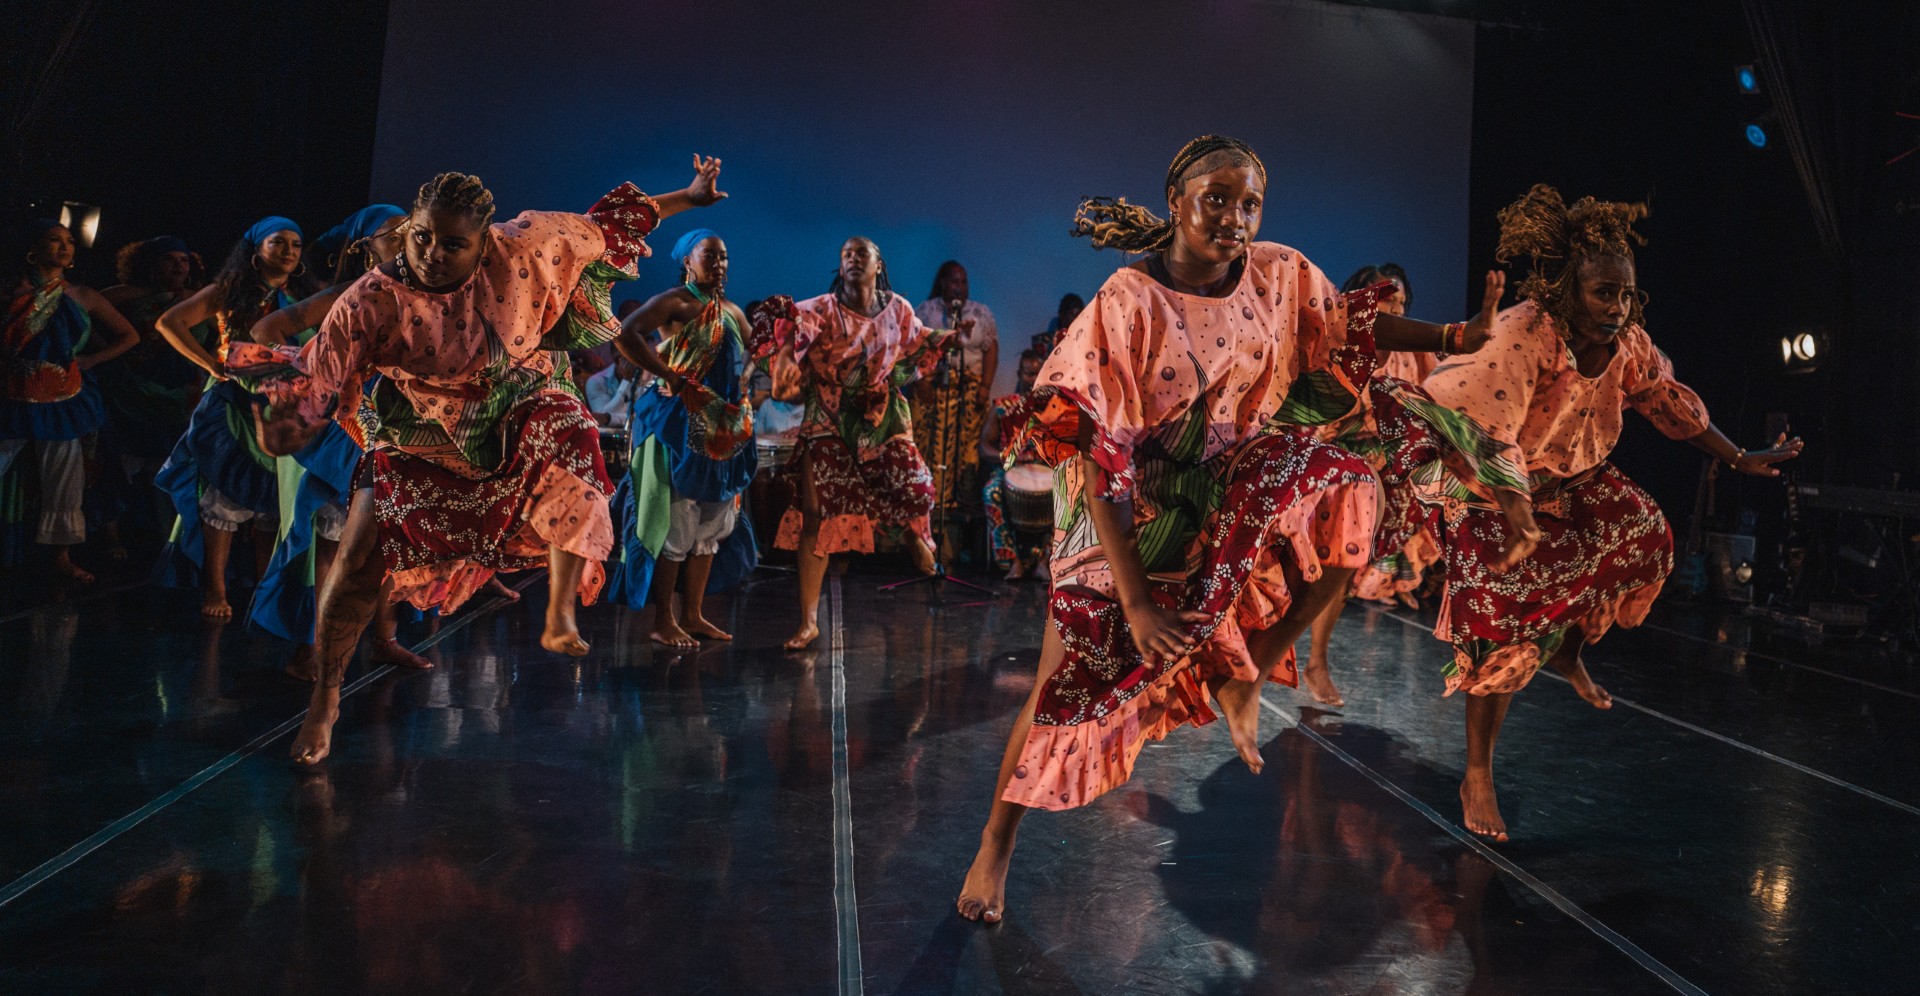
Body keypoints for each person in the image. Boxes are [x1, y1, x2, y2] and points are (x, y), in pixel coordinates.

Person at [953, 136, 1524, 924]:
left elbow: (1352, 325)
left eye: (1248, 201)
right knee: (1066, 685)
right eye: (1215, 198)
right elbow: (1099, 461)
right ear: (1176, 200)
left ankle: (1254, 664)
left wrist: (1455, 338)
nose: (1233, 216)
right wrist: (1138, 603)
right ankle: (995, 843)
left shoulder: (1276, 273)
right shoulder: (1127, 301)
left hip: (1219, 491)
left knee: (1352, 484)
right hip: (1119, 510)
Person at [237, 156, 728, 765]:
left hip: (515, 405)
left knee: (573, 432)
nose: (431, 253)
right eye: (421, 237)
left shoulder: (525, 247)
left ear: (484, 242)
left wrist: (688, 194)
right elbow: (317, 383)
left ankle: (559, 610)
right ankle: (326, 700)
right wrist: (287, 422)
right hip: (416, 428)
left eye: (452, 243)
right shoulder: (369, 300)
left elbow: (609, 221)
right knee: (358, 564)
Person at [1420, 185, 1802, 842]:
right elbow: (1492, 434)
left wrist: (1738, 456)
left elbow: (1669, 402)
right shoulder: (1522, 337)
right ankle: (1477, 772)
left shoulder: (1627, 345)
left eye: (1625, 295)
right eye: (1603, 293)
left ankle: (1568, 650)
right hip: (1488, 484)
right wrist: (1517, 511)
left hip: (1570, 480)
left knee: (1644, 535)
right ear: (1569, 287)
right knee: (1500, 630)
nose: (1617, 307)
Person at [749, 237, 969, 650]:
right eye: (845, 254)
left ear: (877, 264)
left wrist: (948, 338)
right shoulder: (820, 310)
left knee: (913, 484)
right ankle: (809, 621)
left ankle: (908, 533)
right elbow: (791, 342)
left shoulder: (899, 308)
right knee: (815, 518)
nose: (852, 259)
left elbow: (918, 343)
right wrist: (784, 365)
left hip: (881, 414)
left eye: (860, 254)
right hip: (829, 416)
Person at [242, 204, 429, 676]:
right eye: (394, 233)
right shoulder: (352, 291)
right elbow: (266, 330)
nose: (408, 237)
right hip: (342, 431)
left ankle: (384, 639)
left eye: (412, 229)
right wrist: (314, 381)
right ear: (367, 251)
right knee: (331, 544)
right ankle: (314, 648)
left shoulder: (428, 293)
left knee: (388, 543)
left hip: (396, 430)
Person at [1300, 262, 1467, 707]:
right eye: (1386, 303)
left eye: (1402, 305)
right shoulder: (1337, 341)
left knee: (1342, 568)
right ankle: (1303, 658)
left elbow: (1439, 395)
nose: (1396, 312)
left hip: (1391, 472)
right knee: (1327, 567)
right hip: (1337, 464)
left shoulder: (1414, 351)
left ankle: (1316, 660)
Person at [153, 216, 313, 618]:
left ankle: (262, 590)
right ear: (256, 249)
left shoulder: (298, 300)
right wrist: (210, 365)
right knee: (225, 494)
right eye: (280, 242)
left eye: (296, 244)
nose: (290, 250)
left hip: (280, 408)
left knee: (270, 504)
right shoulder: (228, 292)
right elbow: (169, 323)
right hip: (234, 406)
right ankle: (215, 591)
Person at [605, 228, 758, 647]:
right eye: (709, 255)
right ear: (687, 261)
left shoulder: (732, 311)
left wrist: (765, 350)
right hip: (678, 424)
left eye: (724, 256)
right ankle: (663, 620)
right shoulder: (676, 303)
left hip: (720, 430)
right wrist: (667, 374)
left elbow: (754, 351)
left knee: (709, 524)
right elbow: (625, 333)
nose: (719, 263)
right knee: (676, 518)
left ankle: (692, 614)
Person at [0, 220, 139, 581]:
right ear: (34, 247)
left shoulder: (83, 295)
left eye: (69, 241)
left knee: (63, 476)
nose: (64, 247)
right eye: (54, 240)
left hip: (65, 395)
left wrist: (93, 359)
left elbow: (129, 335)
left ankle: (61, 557)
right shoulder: (11, 291)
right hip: (12, 389)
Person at [912, 261, 999, 548]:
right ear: (942, 283)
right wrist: (921, 380)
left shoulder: (979, 312)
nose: (959, 286)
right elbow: (914, 347)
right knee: (934, 452)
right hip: (937, 390)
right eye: (953, 281)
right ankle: (933, 520)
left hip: (969, 392)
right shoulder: (928, 310)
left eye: (963, 281)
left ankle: (963, 534)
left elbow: (991, 348)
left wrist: (984, 386)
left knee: (967, 456)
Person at [978, 349, 1052, 580]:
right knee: (991, 491)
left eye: (1038, 374)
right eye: (1029, 374)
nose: (1034, 380)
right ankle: (1012, 561)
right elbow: (983, 447)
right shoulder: (1002, 405)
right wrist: (1006, 458)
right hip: (1009, 471)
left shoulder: (1053, 411)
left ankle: (1045, 561)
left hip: (1045, 472)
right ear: (1020, 373)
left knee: (1070, 493)